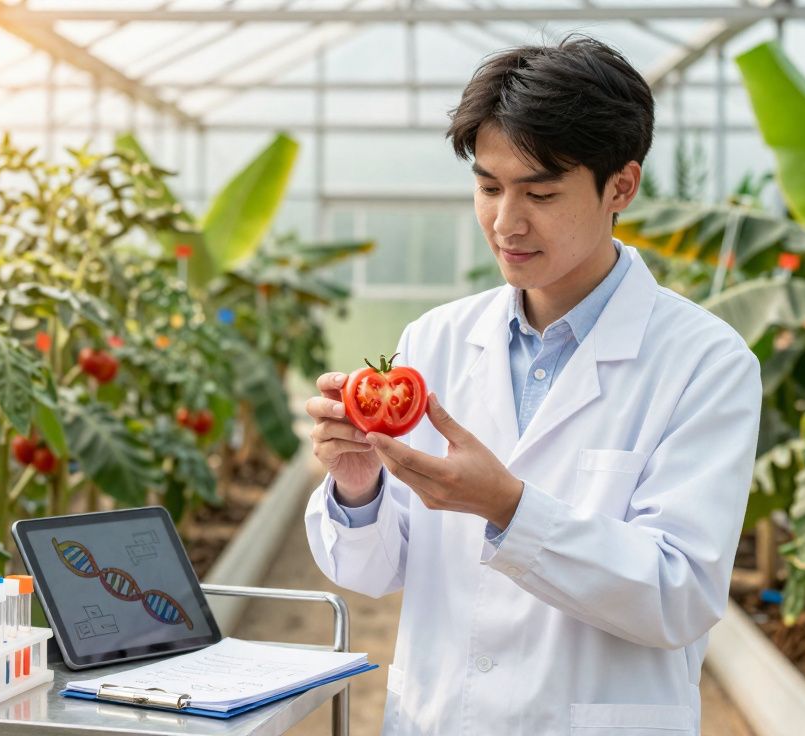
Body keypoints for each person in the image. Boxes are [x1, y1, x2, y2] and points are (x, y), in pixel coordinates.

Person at [303, 35, 761, 735]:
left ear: (621, 187)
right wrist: (358, 484)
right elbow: (374, 572)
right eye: (488, 187)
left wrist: (510, 508)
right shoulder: (435, 342)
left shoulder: (705, 363)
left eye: (540, 192)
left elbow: (678, 595)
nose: (505, 222)